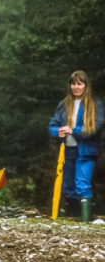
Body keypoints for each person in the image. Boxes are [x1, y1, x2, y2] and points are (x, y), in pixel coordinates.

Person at [48, 70, 104, 222]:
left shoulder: (95, 104)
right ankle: (72, 218)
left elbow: (95, 127)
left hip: (86, 150)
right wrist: (57, 132)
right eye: (73, 84)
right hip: (67, 150)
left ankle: (85, 219)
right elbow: (52, 125)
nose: (76, 87)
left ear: (86, 86)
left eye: (79, 84)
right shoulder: (63, 104)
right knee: (68, 186)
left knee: (82, 183)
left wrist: (73, 130)